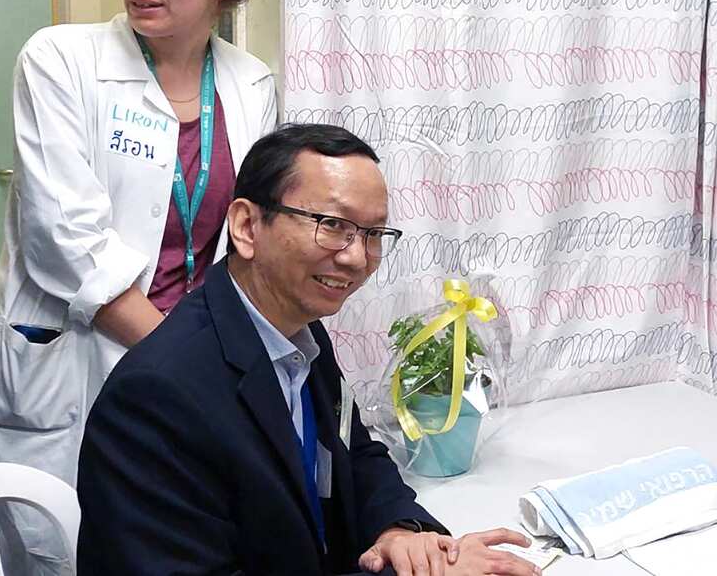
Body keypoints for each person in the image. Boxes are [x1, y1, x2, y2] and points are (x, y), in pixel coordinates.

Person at [76, 124, 539, 576]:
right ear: (246, 226)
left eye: (373, 234)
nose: (357, 257)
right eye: (332, 225)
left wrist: (402, 532)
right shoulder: (154, 398)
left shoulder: (299, 332)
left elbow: (354, 456)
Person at [0, 0, 276, 489]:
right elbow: (65, 242)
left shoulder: (250, 83)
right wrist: (186, 363)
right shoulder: (60, 60)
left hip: (195, 364)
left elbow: (248, 238)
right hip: (81, 368)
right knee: (70, 530)